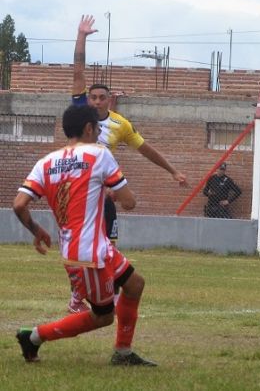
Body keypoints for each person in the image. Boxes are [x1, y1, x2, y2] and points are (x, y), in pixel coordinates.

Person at [12, 104, 156, 366]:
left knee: (135, 284)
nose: (100, 132)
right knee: (103, 316)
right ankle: (33, 337)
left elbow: (19, 204)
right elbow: (129, 202)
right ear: (89, 128)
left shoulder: (46, 162)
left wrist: (37, 230)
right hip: (88, 254)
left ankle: (123, 353)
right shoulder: (99, 154)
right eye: (98, 128)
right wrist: (114, 191)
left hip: (90, 248)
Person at [67, 14, 188, 313]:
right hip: (78, 190)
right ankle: (77, 296)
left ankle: (106, 294)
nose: (95, 101)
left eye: (101, 97)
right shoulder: (79, 110)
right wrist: (81, 36)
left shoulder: (120, 124)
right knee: (80, 247)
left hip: (104, 193)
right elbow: (78, 71)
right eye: (92, 97)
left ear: (110, 100)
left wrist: (173, 171)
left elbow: (145, 149)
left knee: (108, 246)